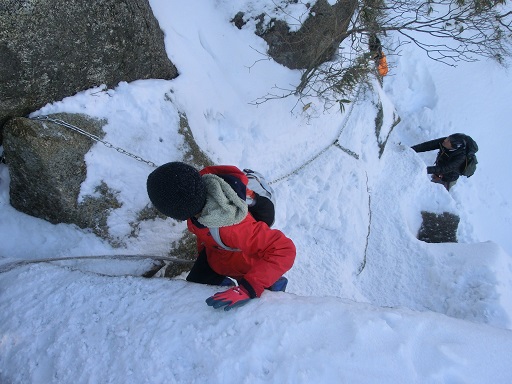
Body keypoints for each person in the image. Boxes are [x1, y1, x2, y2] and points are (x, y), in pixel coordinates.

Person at [146, 162, 296, 311]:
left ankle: (275, 283)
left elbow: (284, 249)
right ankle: (226, 284)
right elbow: (205, 235)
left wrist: (249, 287)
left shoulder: (233, 227)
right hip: (216, 256)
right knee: (195, 285)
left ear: (176, 211)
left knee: (264, 301)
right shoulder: (198, 199)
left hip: (246, 264)